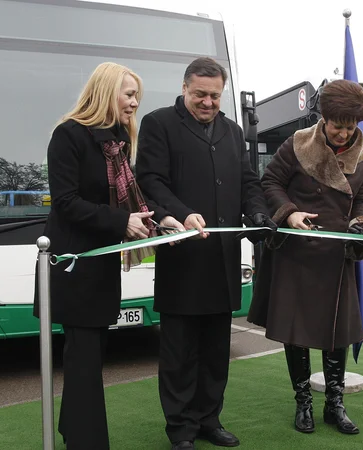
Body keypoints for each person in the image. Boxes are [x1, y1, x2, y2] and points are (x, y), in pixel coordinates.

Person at [136, 57, 275, 450]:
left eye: (215, 95)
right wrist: (179, 213)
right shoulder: (158, 123)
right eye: (200, 94)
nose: (208, 102)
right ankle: (180, 430)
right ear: (184, 89)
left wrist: (259, 213)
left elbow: (248, 181)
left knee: (216, 353)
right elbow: (150, 180)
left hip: (224, 261)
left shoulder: (232, 132)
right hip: (182, 261)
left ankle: (208, 420)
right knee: (179, 354)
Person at [32, 62, 159, 449]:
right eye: (129, 94)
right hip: (73, 269)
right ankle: (87, 442)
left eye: (137, 95)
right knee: (84, 362)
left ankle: (76, 435)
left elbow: (129, 200)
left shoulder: (119, 141)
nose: (136, 103)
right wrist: (122, 222)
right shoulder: (68, 135)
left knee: (87, 362)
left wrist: (159, 221)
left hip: (101, 267)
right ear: (106, 92)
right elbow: (67, 203)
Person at [247, 79, 363, 436]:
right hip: (298, 254)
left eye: (351, 126)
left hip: (338, 258)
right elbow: (270, 183)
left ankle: (334, 404)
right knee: (298, 331)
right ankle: (303, 402)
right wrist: (289, 213)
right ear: (323, 118)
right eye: (338, 125)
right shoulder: (297, 145)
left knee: (337, 332)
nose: (343, 133)